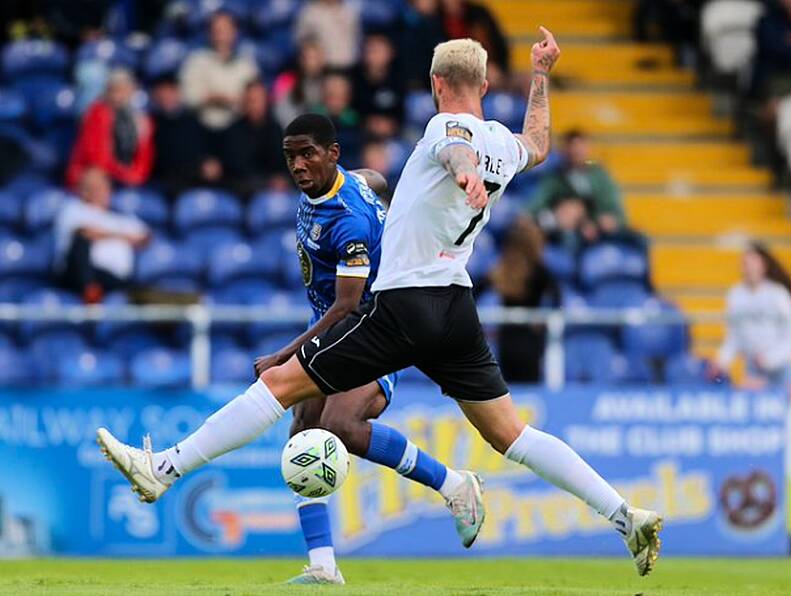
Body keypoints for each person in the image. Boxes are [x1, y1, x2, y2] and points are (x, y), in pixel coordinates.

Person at [97, 32, 663, 577]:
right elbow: (537, 144)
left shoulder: (450, 126)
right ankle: (623, 515)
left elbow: (453, 146)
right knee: (512, 435)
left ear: (437, 83)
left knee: (280, 387)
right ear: (486, 84)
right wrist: (540, 76)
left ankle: (163, 469)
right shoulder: (501, 144)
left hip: (404, 304)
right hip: (456, 306)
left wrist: (463, 170)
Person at [249, 114, 482, 584]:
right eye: (290, 156)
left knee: (341, 424)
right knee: (304, 429)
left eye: (306, 154)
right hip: (329, 326)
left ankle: (454, 485)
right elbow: (372, 179)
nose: (296, 165)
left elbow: (347, 305)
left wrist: (283, 356)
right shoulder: (340, 185)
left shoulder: (349, 219)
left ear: (331, 154)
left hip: (374, 328)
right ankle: (322, 566)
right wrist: (385, 198)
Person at [54, 168, 150, 302]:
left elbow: (145, 237)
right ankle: (89, 290)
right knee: (81, 241)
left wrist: (107, 235)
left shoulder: (118, 217)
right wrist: (123, 237)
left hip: (114, 277)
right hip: (78, 275)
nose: (94, 191)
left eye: (100, 187)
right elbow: (84, 233)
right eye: (88, 187)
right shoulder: (73, 209)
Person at [711, 242, 791, 391]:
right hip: (754, 371)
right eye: (745, 263)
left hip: (781, 370)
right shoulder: (735, 295)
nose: (748, 267)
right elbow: (733, 337)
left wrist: (770, 358)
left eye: (753, 262)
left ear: (764, 266)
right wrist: (721, 361)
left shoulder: (778, 294)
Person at [485, 217, 559, 382]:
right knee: (528, 384)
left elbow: (474, 290)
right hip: (529, 335)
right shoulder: (538, 271)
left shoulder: (502, 269)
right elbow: (557, 297)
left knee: (509, 386)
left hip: (508, 334)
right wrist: (543, 320)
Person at [529, 129, 626, 242]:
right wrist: (555, 218)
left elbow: (616, 211)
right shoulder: (555, 177)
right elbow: (535, 207)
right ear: (563, 151)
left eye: (580, 147)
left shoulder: (600, 176)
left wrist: (604, 222)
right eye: (572, 147)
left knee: (637, 240)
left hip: (600, 231)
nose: (576, 152)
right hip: (567, 232)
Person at [65, 68, 154, 189]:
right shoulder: (97, 112)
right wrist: (124, 174)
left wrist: (134, 176)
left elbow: (144, 159)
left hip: (123, 178)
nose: (118, 96)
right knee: (95, 178)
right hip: (93, 176)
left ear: (132, 91)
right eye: (114, 90)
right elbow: (97, 159)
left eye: (123, 90)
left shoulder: (140, 119)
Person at [179, 11, 259, 132]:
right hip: (201, 127)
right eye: (216, 30)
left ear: (234, 32)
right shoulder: (196, 61)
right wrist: (212, 98)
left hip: (237, 128)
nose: (221, 34)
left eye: (225, 29)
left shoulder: (246, 64)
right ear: (209, 33)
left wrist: (230, 100)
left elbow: (253, 100)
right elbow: (188, 97)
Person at [149, 75, 220, 197]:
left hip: (194, 181)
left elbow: (207, 155)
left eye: (170, 92)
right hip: (163, 183)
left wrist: (210, 163)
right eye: (162, 93)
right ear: (155, 96)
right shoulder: (151, 123)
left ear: (178, 93)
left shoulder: (194, 122)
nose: (166, 98)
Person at [218, 81, 290, 198]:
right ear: (244, 103)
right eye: (251, 100)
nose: (256, 105)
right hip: (244, 189)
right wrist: (267, 181)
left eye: (260, 100)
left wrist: (281, 178)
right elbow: (237, 168)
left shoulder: (275, 129)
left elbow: (283, 162)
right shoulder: (233, 131)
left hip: (274, 188)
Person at [353, 32, 405, 139]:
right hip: (361, 133)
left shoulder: (399, 78)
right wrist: (367, 123)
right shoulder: (355, 78)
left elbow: (403, 110)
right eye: (371, 50)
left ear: (390, 53)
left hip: (395, 132)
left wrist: (392, 125)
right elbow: (350, 112)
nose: (374, 55)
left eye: (378, 51)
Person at [440, 0, 510, 74]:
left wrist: (498, 68)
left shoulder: (479, 15)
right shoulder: (434, 20)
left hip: (485, 72)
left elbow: (499, 47)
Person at [272, 39, 328, 129]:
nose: (310, 62)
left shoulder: (330, 83)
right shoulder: (286, 80)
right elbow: (280, 112)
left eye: (315, 57)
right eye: (307, 57)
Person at [295, 0, 360, 70]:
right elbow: (302, 42)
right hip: (324, 68)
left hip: (349, 67)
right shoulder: (310, 13)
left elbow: (357, 38)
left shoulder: (349, 11)